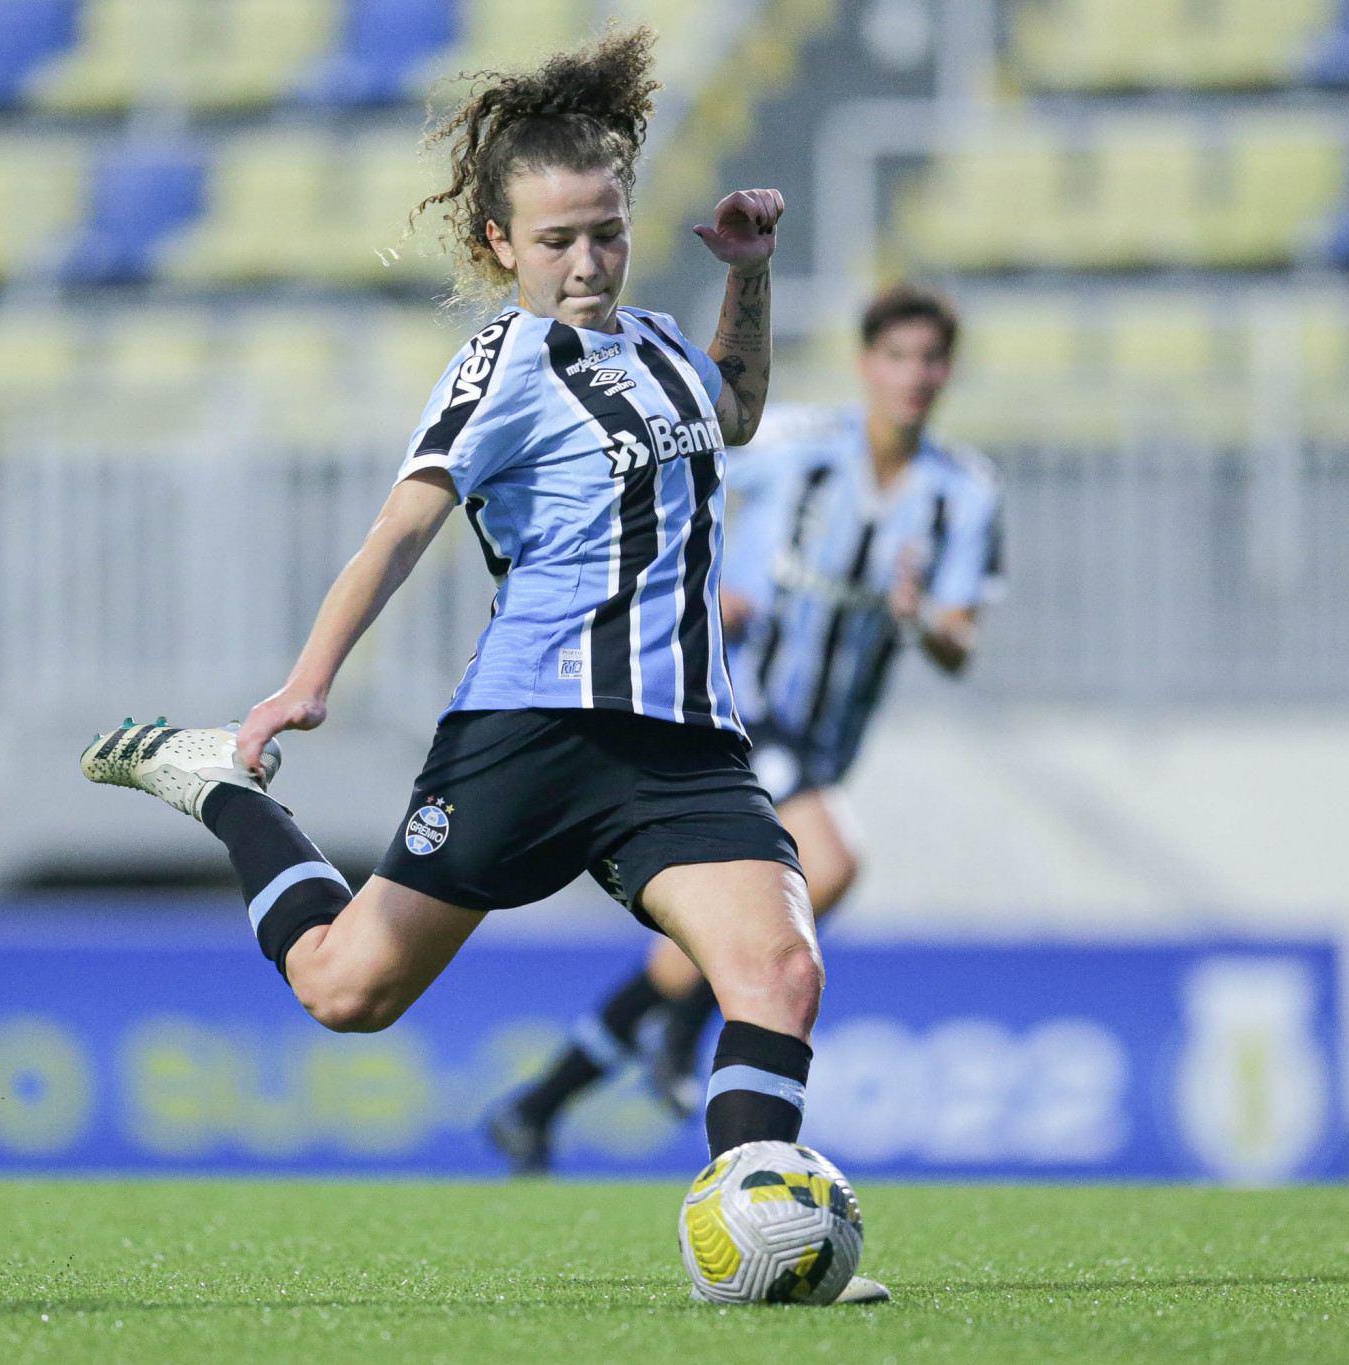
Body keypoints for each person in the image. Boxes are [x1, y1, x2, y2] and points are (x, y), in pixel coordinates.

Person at [79, 27, 885, 1306]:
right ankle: (221, 794)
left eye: (606, 232)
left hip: (683, 744)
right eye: (557, 240)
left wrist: (747, 273)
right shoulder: (498, 370)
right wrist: (304, 681)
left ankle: (770, 1245)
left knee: (780, 968)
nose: (586, 262)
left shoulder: (663, 342)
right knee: (348, 991)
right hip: (533, 729)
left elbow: (729, 412)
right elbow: (398, 530)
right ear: (501, 244)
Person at [488, 283, 1003, 1170]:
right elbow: (678, 474)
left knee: (729, 935)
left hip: (821, 742)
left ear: (948, 371)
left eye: (930, 360)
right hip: (734, 705)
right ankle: (682, 1034)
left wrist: (921, 618)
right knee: (832, 862)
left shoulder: (964, 493)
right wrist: (698, 582)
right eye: (897, 356)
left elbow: (962, 640)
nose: (913, 376)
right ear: (865, 364)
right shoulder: (798, 446)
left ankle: (540, 1102)